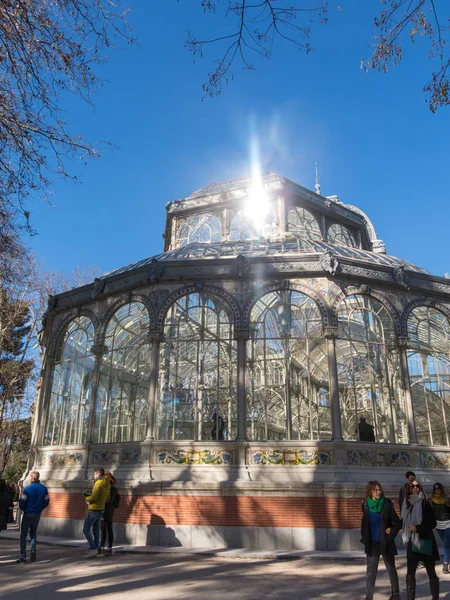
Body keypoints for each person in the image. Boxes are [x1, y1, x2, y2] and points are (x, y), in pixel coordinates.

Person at [360, 480, 401, 600]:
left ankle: (395, 594)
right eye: (375, 490)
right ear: (370, 491)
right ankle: (368, 596)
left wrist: (391, 531)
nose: (378, 492)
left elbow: (397, 523)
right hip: (372, 543)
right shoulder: (366, 505)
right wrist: (364, 536)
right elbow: (364, 523)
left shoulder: (387, 503)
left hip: (385, 542)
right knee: (371, 571)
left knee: (391, 569)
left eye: (379, 489)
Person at [401, 478, 440, 600]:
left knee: (431, 572)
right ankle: (410, 597)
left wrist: (417, 528)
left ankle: (435, 597)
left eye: (417, 486)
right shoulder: (406, 504)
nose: (415, 488)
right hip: (412, 541)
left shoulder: (425, 503)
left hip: (425, 541)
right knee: (410, 573)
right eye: (412, 486)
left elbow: (432, 523)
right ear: (409, 488)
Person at [17, 471, 50, 564]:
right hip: (37, 513)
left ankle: (23, 556)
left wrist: (23, 508)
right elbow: (47, 501)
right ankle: (33, 550)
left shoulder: (27, 489)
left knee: (23, 534)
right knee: (33, 533)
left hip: (28, 513)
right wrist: (40, 508)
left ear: (32, 478)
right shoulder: (44, 489)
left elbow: (22, 501)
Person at [83, 467, 110, 558]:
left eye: (94, 474)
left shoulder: (98, 484)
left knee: (86, 529)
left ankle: (93, 548)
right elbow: (108, 498)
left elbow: (93, 497)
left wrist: (87, 499)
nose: (94, 476)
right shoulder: (107, 484)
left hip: (94, 508)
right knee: (96, 529)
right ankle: (97, 548)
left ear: (98, 474)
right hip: (101, 508)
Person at [98, 472, 120, 556]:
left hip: (108, 511)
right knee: (103, 529)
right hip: (103, 510)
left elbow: (110, 501)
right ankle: (102, 545)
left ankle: (109, 546)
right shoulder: (106, 488)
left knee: (108, 528)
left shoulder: (112, 489)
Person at [431, 482, 450, 574]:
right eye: (435, 489)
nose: (437, 490)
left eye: (438, 489)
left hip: (447, 523)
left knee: (446, 544)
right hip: (438, 524)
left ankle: (445, 565)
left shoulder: (447, 499)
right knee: (446, 543)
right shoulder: (432, 500)